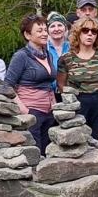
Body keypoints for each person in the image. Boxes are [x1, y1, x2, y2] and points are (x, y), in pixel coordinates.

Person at [6, 13, 60, 153]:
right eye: (39, 31)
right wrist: (24, 110)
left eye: (45, 30)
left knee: (47, 153)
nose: (44, 34)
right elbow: (7, 85)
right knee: (34, 153)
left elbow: (49, 83)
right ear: (28, 35)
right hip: (31, 112)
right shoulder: (21, 56)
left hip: (49, 113)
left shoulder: (48, 54)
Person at [59, 17, 98, 138]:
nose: (90, 34)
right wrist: (71, 101)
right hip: (78, 103)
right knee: (78, 139)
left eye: (94, 31)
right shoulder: (66, 58)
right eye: (85, 30)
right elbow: (61, 84)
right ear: (78, 33)